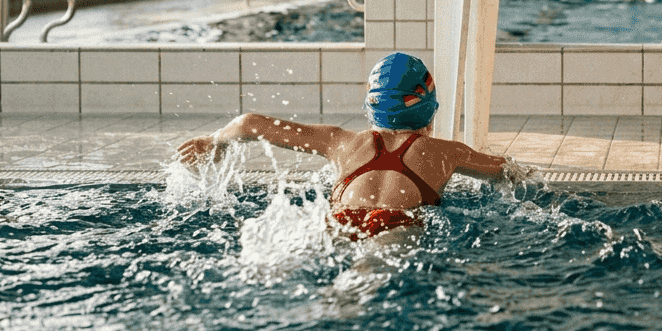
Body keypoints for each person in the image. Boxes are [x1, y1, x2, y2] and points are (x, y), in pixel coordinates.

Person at [177, 53, 520, 241]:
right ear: (430, 110)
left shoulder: (340, 141)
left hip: (338, 220)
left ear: (371, 107)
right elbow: (507, 170)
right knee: (368, 279)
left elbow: (251, 123)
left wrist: (213, 142)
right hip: (395, 224)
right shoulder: (448, 152)